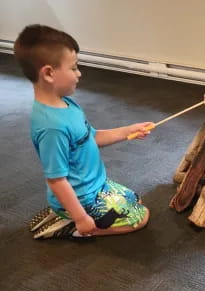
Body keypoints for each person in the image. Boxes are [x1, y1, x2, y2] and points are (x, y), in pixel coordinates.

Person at [14, 24, 154, 238]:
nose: (79, 74)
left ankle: (65, 213)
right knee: (140, 217)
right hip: (82, 198)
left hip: (95, 186)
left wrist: (128, 131)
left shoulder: (67, 104)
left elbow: (92, 136)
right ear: (49, 73)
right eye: (73, 68)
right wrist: (81, 218)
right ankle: (72, 225)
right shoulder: (52, 128)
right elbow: (56, 180)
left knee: (136, 200)